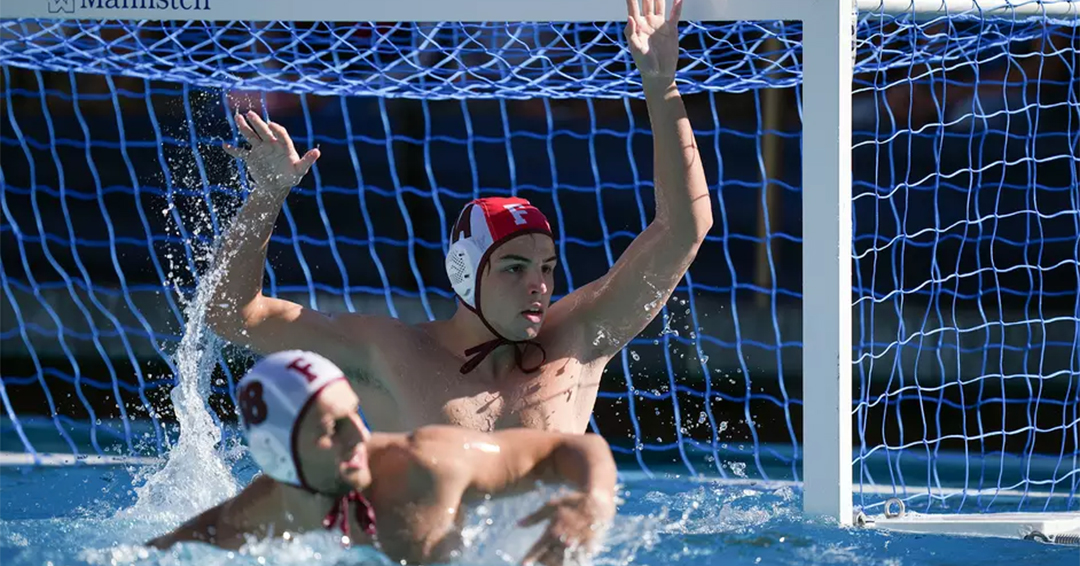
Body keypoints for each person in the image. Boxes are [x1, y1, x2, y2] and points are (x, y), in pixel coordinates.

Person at [208, 0, 711, 433]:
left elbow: (684, 230)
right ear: (464, 274)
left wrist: (661, 85)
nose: (539, 285)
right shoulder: (392, 355)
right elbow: (233, 314)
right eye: (515, 267)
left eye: (546, 268)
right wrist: (267, 195)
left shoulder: (578, 342)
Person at [148, 350, 618, 566]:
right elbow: (185, 542)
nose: (361, 434)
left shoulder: (427, 466)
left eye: (355, 414)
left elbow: (573, 449)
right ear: (281, 458)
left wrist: (593, 502)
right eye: (334, 428)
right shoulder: (270, 507)